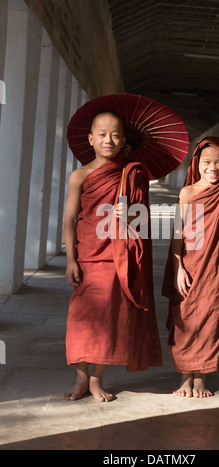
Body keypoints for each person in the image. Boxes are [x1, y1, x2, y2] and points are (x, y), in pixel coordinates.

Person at [63, 110, 162, 402]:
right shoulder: (79, 175)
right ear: (91, 139)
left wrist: (131, 213)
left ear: (124, 141)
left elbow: (145, 219)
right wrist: (70, 259)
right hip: (88, 254)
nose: (109, 140)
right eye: (103, 134)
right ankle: (81, 376)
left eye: (116, 134)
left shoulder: (133, 174)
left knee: (112, 318)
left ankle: (97, 379)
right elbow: (70, 219)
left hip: (119, 257)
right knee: (83, 317)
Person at [162, 136, 219, 398]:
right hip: (189, 263)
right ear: (197, 163)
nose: (212, 168)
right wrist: (178, 266)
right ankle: (184, 376)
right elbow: (178, 233)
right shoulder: (187, 192)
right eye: (206, 162)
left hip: (216, 266)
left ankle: (200, 377)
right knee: (185, 317)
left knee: (211, 318)